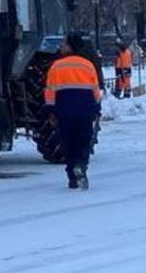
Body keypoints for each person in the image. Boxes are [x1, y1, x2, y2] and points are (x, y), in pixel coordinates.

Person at [44, 32, 103, 190]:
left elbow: (50, 91)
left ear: (70, 46)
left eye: (64, 44)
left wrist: (51, 111)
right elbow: (95, 91)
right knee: (83, 142)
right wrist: (97, 108)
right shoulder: (88, 65)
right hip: (85, 111)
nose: (62, 47)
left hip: (64, 112)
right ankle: (81, 166)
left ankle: (72, 178)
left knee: (69, 145)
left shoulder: (56, 66)